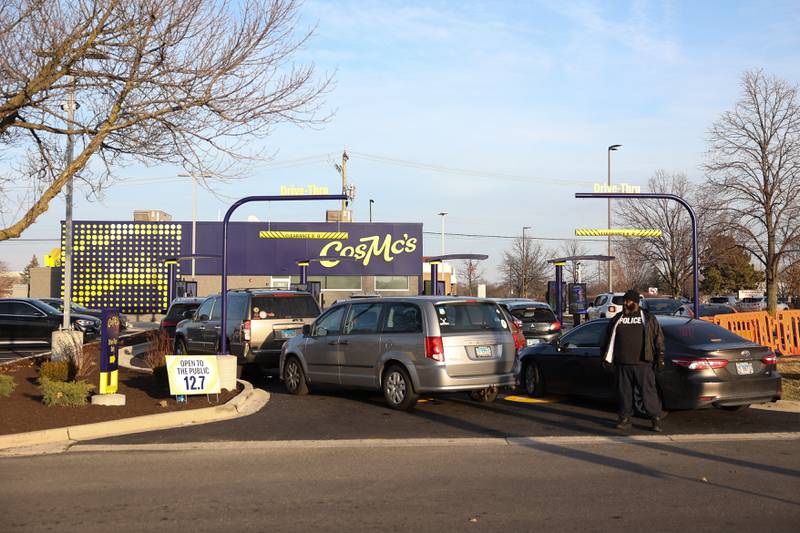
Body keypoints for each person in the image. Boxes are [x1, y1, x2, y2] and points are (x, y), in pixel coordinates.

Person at [601, 289, 667, 432]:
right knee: (624, 393)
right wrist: (606, 359)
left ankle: (655, 420)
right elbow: (606, 339)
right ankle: (624, 419)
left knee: (648, 393)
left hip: (643, 364)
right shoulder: (617, 318)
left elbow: (658, 339)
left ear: (636, 302)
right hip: (622, 364)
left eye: (628, 301)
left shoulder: (648, 318)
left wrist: (660, 358)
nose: (625, 303)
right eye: (624, 301)